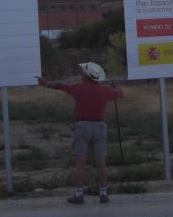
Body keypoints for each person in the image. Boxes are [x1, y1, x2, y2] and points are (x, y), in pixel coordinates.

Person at [36, 62, 123, 204]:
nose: (80, 74)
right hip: (99, 127)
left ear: (86, 76)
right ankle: (103, 193)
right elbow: (118, 93)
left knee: (81, 161)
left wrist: (46, 83)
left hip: (82, 126)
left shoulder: (78, 88)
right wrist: (116, 85)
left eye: (82, 73)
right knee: (101, 161)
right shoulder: (105, 90)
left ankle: (79, 193)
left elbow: (61, 85)